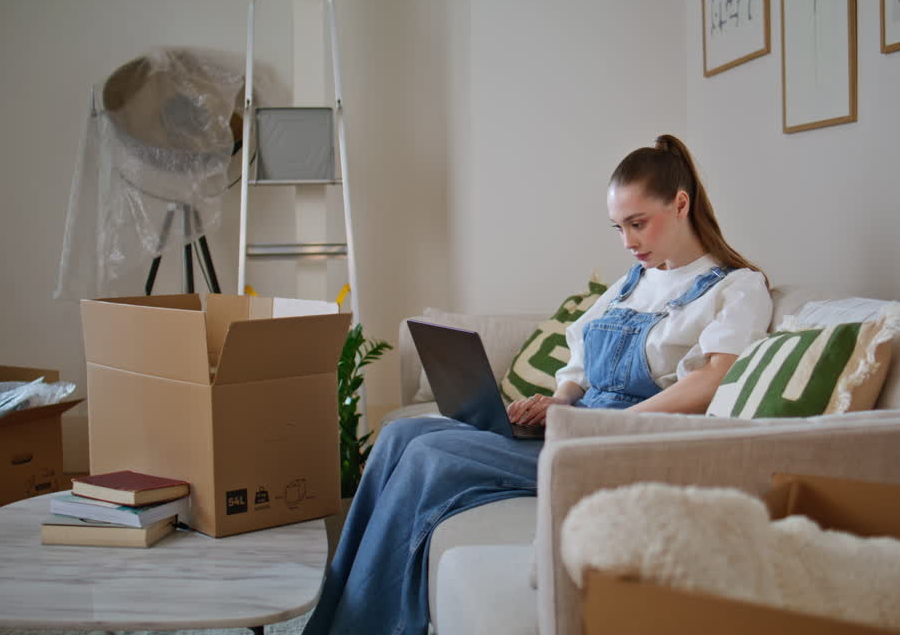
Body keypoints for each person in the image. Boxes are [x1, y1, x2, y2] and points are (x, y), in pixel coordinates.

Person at [302, 134, 773, 635]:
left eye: (638, 224)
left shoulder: (737, 286)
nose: (628, 241)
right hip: (580, 424)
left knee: (430, 460)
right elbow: (583, 356)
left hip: (627, 442)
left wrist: (600, 428)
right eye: (618, 227)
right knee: (398, 436)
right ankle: (333, 615)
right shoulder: (635, 279)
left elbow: (714, 376)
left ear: (681, 204)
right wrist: (560, 401)